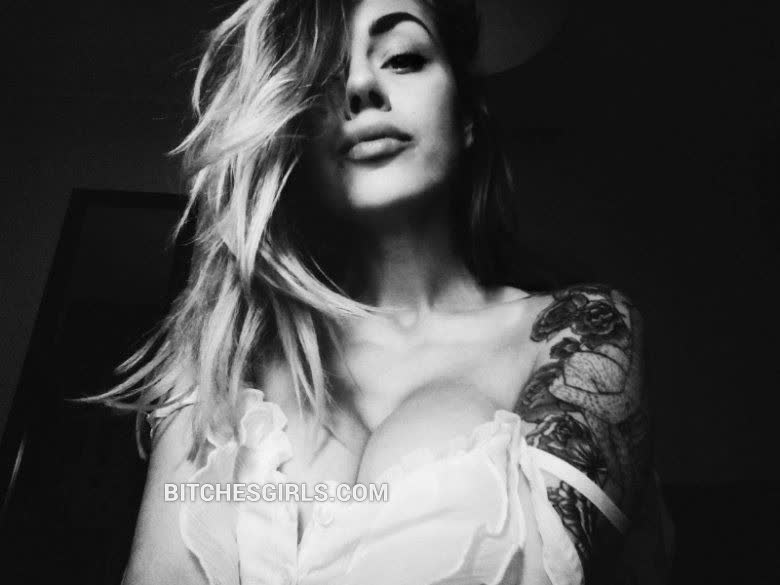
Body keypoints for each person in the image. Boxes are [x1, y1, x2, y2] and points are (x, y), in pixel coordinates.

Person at [97, 0, 674, 583]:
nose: (360, 87)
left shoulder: (577, 334)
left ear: (467, 117)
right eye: (325, 74)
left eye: (402, 58)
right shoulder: (220, 357)